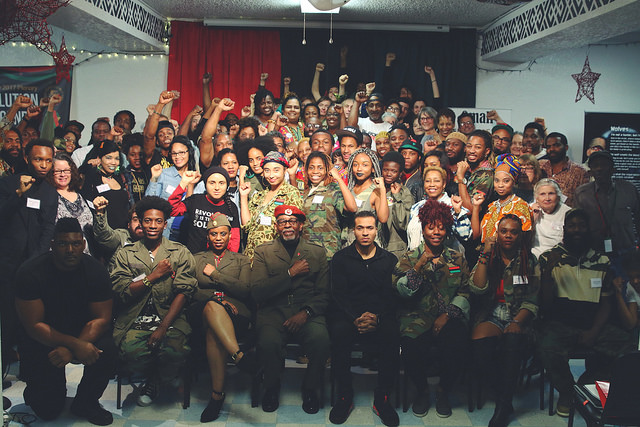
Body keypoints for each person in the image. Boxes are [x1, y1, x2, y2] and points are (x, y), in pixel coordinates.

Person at [15, 218, 115, 425]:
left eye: (76, 244)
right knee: (48, 409)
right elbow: (33, 326)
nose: (70, 249)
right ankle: (38, 389)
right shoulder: (30, 272)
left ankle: (86, 402)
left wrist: (73, 348)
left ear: (83, 245)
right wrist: (75, 345)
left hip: (82, 332)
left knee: (108, 347)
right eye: (63, 244)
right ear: (52, 245)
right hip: (43, 337)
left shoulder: (96, 271)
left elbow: (102, 319)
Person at [537, 208, 636, 417]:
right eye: (572, 226)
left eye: (581, 225)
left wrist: (594, 331)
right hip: (560, 323)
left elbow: (606, 303)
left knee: (628, 345)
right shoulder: (549, 257)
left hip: (594, 323)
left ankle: (591, 382)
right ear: (565, 229)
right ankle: (567, 393)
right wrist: (547, 273)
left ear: (588, 229)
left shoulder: (602, 261)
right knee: (546, 347)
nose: (577, 230)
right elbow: (545, 305)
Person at [110, 196, 197, 407]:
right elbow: (121, 291)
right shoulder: (126, 254)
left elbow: (184, 292)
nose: (152, 226)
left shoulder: (179, 252)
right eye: (147, 220)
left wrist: (162, 328)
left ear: (165, 224)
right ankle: (154, 375)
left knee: (175, 351)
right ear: (140, 222)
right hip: (136, 317)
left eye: (158, 221)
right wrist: (153, 277)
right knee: (130, 353)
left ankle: (156, 379)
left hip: (170, 316)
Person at [394, 200, 471, 419]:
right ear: (423, 228)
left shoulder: (456, 258)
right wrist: (419, 266)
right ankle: (421, 391)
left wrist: (447, 315)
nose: (436, 232)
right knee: (410, 345)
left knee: (457, 344)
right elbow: (402, 291)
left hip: (449, 316)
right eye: (431, 226)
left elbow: (465, 292)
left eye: (441, 227)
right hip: (416, 316)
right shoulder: (409, 258)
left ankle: (443, 391)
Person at [250, 205, 330, 414]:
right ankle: (271, 387)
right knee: (268, 342)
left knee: (321, 340)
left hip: (307, 311)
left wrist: (306, 313)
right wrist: (289, 273)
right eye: (283, 222)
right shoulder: (263, 252)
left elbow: (324, 293)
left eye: (292, 222)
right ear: (276, 227)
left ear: (301, 226)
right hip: (273, 312)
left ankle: (310, 387)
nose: (288, 226)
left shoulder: (316, 252)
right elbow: (257, 291)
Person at [329, 211, 400, 426]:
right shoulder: (341, 258)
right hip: (349, 316)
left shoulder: (389, 259)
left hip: (380, 316)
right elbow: (337, 295)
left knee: (391, 334)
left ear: (376, 230)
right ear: (354, 231)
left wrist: (376, 318)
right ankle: (344, 395)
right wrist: (355, 318)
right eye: (360, 228)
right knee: (339, 334)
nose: (365, 233)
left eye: (369, 228)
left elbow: (392, 297)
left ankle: (383, 398)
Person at [470, 215, 540, 427]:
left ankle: (503, 405)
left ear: (520, 235)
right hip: (492, 313)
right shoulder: (489, 256)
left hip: (520, 315)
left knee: (512, 341)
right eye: (504, 231)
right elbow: (477, 287)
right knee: (478, 346)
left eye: (513, 232)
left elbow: (533, 300)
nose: (508, 235)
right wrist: (485, 253)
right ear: (497, 234)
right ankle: (504, 395)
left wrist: (517, 322)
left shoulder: (529, 260)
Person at [191, 213, 256, 422]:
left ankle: (216, 396)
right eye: (213, 234)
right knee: (211, 307)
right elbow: (191, 289)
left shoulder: (241, 259)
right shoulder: (196, 258)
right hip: (201, 309)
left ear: (230, 236)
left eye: (223, 234)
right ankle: (238, 356)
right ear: (207, 236)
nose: (218, 238)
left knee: (213, 331)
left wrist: (216, 275)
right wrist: (218, 300)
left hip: (235, 313)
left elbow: (245, 290)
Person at [0, 139, 58, 359]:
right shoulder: (7, 183)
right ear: (27, 159)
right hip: (5, 262)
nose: (44, 165)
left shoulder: (50, 193)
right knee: (6, 314)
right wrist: (18, 194)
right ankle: (3, 360)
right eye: (38, 159)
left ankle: (29, 364)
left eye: (48, 160)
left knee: (33, 318)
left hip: (34, 263)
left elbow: (48, 228)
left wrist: (37, 260)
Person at [574, 150, 640, 260]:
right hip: (594, 253)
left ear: (613, 169)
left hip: (626, 251)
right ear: (590, 172)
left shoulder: (629, 189)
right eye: (595, 166)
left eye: (604, 165)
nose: (599, 169)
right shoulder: (582, 193)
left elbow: (638, 217)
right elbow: (578, 224)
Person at [239, 151, 302, 259]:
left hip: (274, 257)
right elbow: (246, 226)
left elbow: (293, 229)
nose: (271, 175)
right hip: (251, 256)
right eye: (267, 170)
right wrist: (243, 196)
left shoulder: (291, 193)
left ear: (284, 171)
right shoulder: (259, 195)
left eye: (276, 170)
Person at [167, 166, 240, 254]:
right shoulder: (195, 200)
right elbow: (172, 209)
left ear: (227, 185)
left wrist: (228, 261)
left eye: (221, 183)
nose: (217, 187)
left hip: (219, 261)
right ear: (205, 185)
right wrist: (183, 182)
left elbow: (234, 239)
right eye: (212, 183)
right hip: (194, 258)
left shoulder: (231, 207)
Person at [145, 135, 204, 239]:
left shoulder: (196, 177)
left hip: (188, 232)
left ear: (189, 152)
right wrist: (154, 178)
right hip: (166, 231)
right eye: (174, 153)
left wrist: (190, 185)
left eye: (181, 152)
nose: (177, 157)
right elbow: (149, 200)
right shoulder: (163, 174)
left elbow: (189, 208)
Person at [301, 152, 357, 259]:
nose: (315, 171)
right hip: (307, 252)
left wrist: (339, 179)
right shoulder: (304, 192)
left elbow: (352, 208)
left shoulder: (332, 190)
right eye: (311, 168)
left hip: (328, 253)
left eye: (320, 168)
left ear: (327, 170)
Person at [407, 166, 471, 252]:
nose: (432, 184)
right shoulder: (416, 207)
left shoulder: (452, 204)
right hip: (418, 258)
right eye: (428, 181)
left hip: (446, 260)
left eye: (436, 181)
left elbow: (465, 235)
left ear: (444, 184)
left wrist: (457, 212)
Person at [472, 154, 532, 243]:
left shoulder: (521, 205)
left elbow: (525, 240)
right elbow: (476, 235)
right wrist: (476, 207)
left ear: (513, 182)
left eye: (506, 181)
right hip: (486, 253)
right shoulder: (492, 206)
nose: (500, 185)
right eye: (497, 180)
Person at [47, 152, 94, 254]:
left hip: (86, 257)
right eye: (58, 171)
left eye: (66, 170)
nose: (63, 174)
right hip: (60, 256)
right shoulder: (48, 196)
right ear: (51, 173)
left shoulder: (81, 195)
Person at [81, 140, 130, 230]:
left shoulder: (121, 178)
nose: (113, 162)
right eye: (109, 158)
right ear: (99, 158)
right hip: (101, 232)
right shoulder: (92, 177)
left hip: (123, 233)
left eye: (117, 158)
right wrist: (88, 167)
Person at [345, 148, 389, 244]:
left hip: (369, 244)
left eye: (365, 165)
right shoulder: (349, 190)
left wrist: (383, 189)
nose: (359, 168)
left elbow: (383, 218)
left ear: (373, 168)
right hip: (349, 243)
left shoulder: (375, 191)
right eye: (355, 164)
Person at [379, 151, 414, 258]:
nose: (389, 174)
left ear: (400, 173)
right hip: (376, 246)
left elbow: (402, 223)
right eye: (385, 170)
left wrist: (397, 196)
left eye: (394, 171)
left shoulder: (404, 193)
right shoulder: (376, 189)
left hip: (395, 250)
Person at [539, 132, 588, 207]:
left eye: (556, 145)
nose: (552, 149)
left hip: (566, 216)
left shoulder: (579, 172)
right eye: (548, 147)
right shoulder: (540, 165)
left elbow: (583, 202)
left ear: (566, 147)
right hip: (540, 216)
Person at [530, 178, 571, 259]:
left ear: (558, 196)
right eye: (542, 194)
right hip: (535, 257)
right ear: (536, 198)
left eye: (551, 193)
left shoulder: (567, 213)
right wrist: (532, 219)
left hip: (559, 258)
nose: (547, 198)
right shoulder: (530, 209)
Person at [456, 130, 494, 212]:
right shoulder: (466, 169)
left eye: (478, 147)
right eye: (469, 146)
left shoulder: (487, 175)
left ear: (487, 151)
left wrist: (460, 179)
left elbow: (469, 210)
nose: (472, 151)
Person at [612, 252, 640, 337]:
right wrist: (618, 294)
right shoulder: (631, 287)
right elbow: (630, 324)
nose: (635, 281)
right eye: (631, 277)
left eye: (639, 276)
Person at [121, 133, 150, 205]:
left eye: (140, 154)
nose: (137, 158)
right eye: (132, 155)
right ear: (127, 157)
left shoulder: (149, 173)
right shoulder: (124, 175)